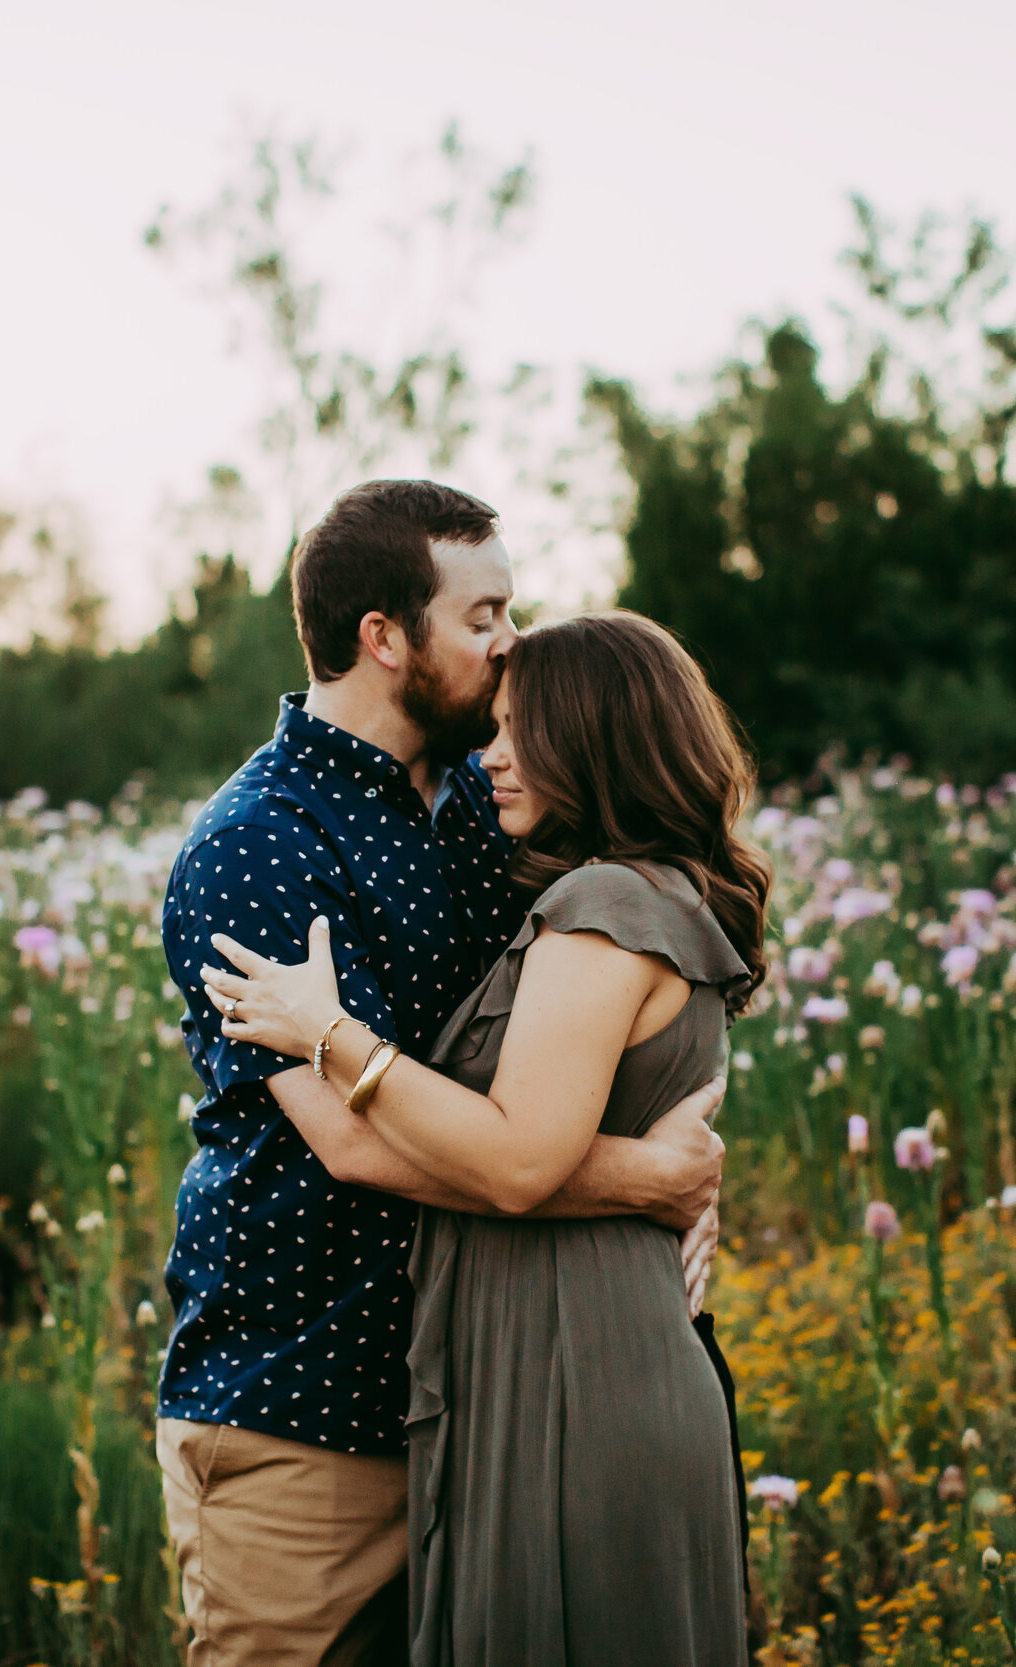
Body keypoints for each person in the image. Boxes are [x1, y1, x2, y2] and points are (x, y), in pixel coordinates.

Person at [156, 482, 730, 1667]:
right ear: (384, 635)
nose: (510, 639)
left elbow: (591, 1034)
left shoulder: (489, 803)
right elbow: (361, 1141)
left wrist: (681, 1164)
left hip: (494, 1395)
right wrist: (646, 1180)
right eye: (484, 615)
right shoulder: (257, 847)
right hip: (306, 1414)